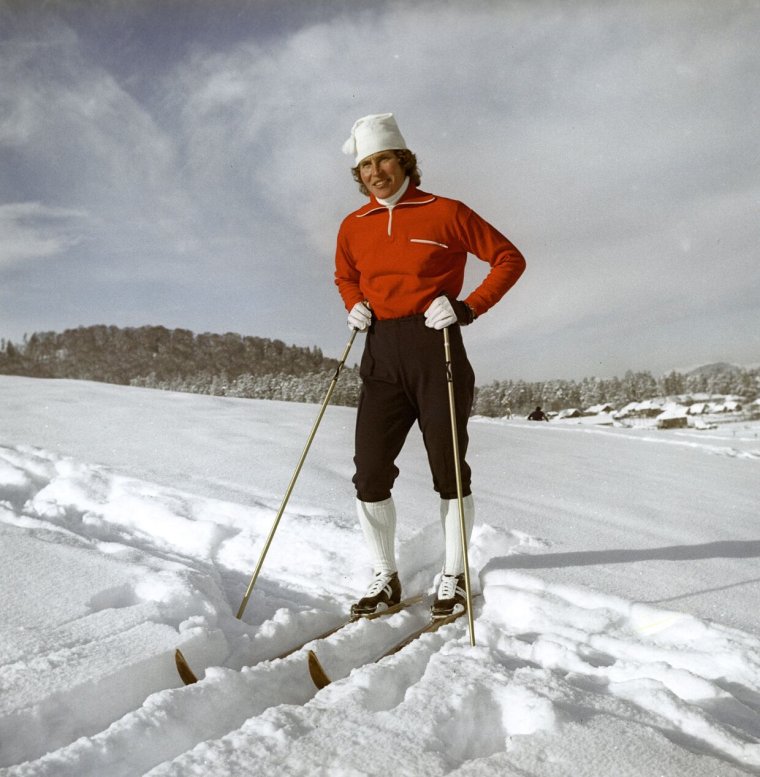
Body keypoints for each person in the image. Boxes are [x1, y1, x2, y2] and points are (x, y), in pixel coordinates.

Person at [334, 113, 526, 618]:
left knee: (449, 471)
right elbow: (346, 276)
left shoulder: (446, 212)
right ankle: (385, 576)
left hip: (434, 346)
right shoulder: (352, 226)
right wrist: (353, 303)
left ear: (404, 160)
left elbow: (508, 258)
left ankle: (456, 575)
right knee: (370, 472)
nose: (376, 172)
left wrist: (466, 308)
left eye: (384, 159)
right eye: (366, 165)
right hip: (379, 352)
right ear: (359, 174)